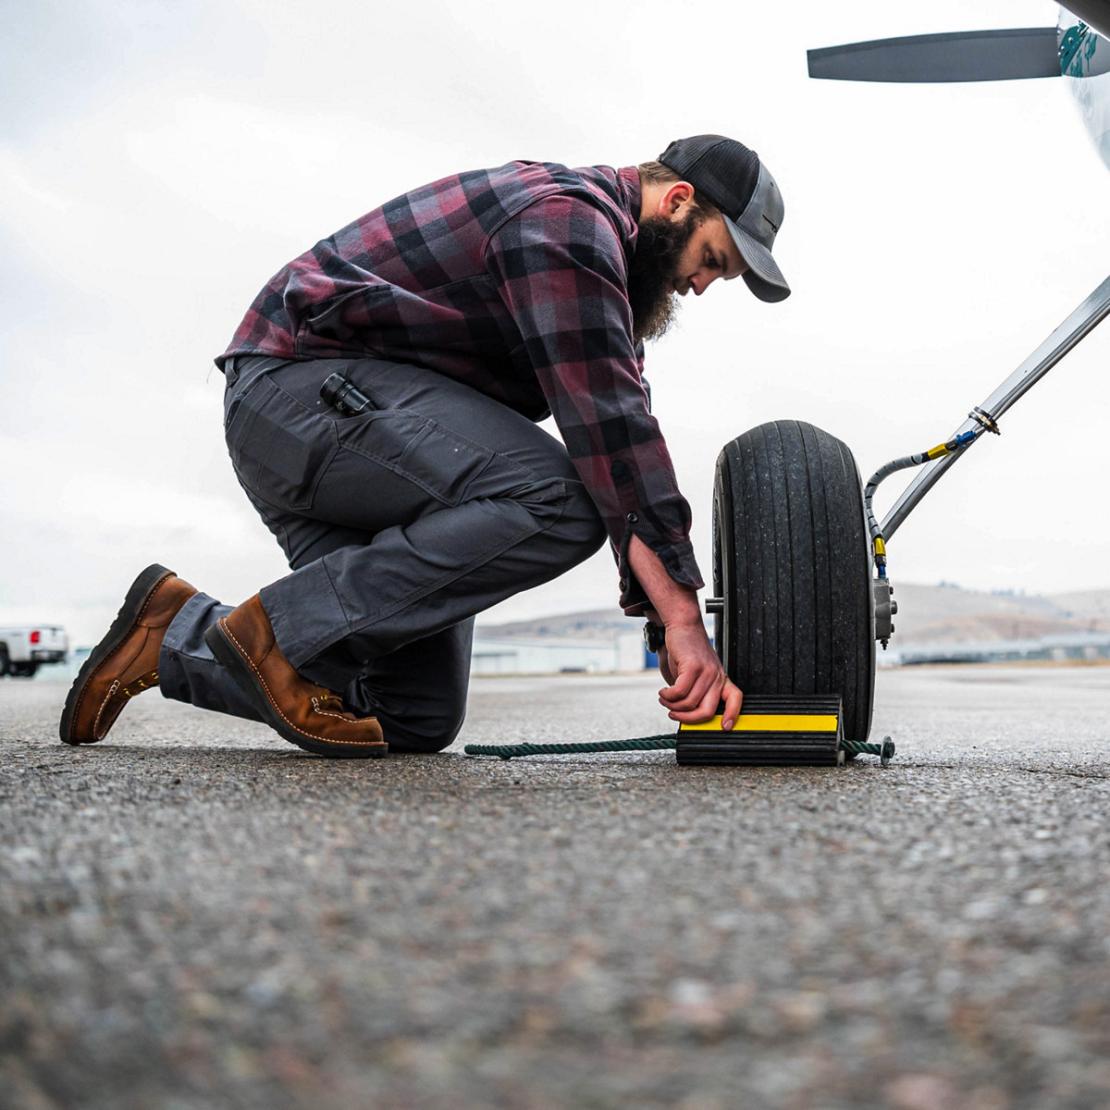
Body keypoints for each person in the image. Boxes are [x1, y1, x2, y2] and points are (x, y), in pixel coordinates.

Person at [59, 134, 790, 759]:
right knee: (562, 500)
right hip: (298, 403)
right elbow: (612, 434)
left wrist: (667, 623)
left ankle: (171, 634)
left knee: (411, 717)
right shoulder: (566, 220)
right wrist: (688, 622)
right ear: (679, 201)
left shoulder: (601, 280)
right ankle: (275, 633)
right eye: (715, 260)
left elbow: (624, 442)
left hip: (368, 449)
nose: (702, 287)